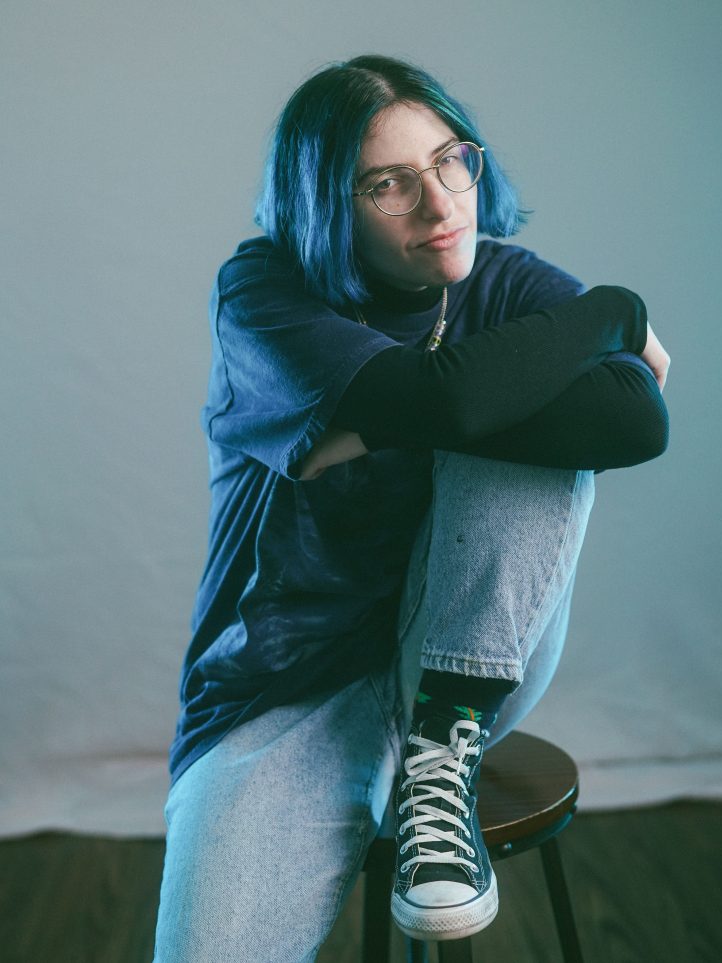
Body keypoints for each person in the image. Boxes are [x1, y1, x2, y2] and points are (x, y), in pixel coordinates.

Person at [153, 54, 670, 961]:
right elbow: (455, 404)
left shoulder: (502, 284)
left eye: (450, 161)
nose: (441, 205)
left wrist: (404, 412)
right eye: (388, 185)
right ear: (329, 207)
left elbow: (634, 420)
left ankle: (441, 757)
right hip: (286, 694)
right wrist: (611, 316)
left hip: (464, 664)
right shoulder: (263, 295)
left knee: (528, 448)